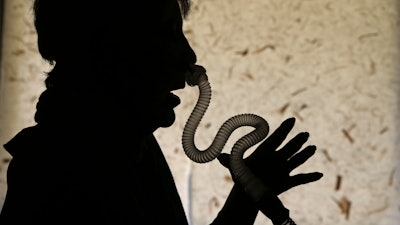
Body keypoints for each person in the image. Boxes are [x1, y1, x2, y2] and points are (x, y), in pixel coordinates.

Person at [0, 0, 323, 224]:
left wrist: (247, 194)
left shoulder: (129, 150)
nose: (188, 55)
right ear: (105, 52)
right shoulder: (58, 172)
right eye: (166, 34)